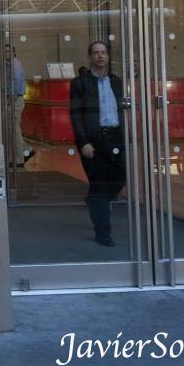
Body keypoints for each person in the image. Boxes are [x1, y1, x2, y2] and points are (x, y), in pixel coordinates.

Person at [69, 41, 126, 247]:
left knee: (121, 177)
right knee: (100, 186)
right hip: (94, 141)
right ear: (90, 57)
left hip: (116, 138)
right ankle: (103, 233)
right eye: (96, 53)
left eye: (103, 53)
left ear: (108, 57)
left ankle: (94, 201)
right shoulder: (80, 83)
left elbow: (123, 110)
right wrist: (83, 142)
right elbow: (75, 115)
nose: (100, 56)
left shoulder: (116, 82)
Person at [4, 44, 35, 167]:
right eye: (4, 51)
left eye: (8, 51)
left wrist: (11, 98)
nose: (6, 53)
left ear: (14, 52)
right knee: (12, 128)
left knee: (14, 128)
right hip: (13, 99)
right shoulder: (7, 65)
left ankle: (19, 159)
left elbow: (16, 81)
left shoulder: (14, 64)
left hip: (15, 100)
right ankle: (26, 150)